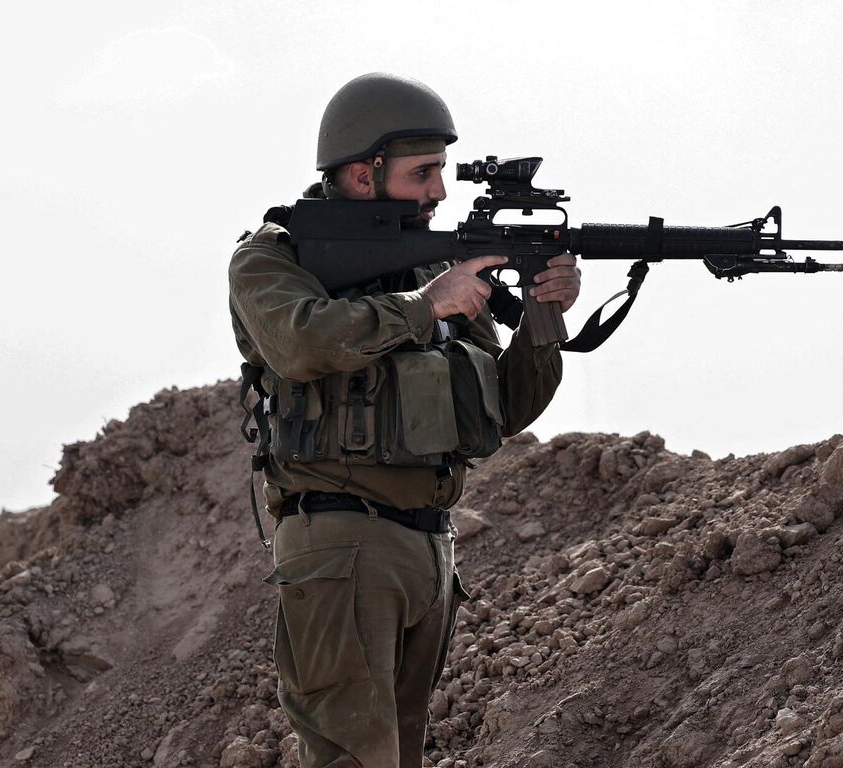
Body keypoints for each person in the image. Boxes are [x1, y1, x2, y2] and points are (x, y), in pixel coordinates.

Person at [229, 73, 580, 767]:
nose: (440, 193)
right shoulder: (274, 257)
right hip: (341, 544)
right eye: (424, 174)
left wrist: (544, 310)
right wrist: (426, 305)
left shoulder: (440, 270)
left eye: (443, 174)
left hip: (425, 550)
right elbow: (301, 342)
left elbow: (500, 411)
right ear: (363, 174)